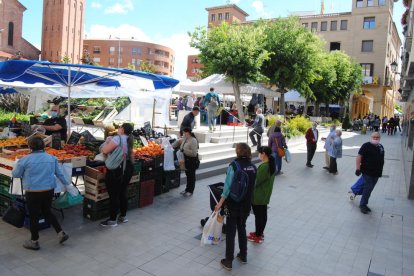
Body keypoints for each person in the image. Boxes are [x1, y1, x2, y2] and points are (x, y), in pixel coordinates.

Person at [12, 136, 70, 250]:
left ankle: (34, 241)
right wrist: (67, 184)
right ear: (44, 146)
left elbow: (16, 174)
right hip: (48, 190)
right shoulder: (51, 158)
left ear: (30, 147)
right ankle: (61, 233)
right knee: (47, 211)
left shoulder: (25, 159)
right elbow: (60, 174)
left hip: (33, 191)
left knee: (34, 216)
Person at [214, 143, 257, 270]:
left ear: (238, 152)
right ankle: (243, 255)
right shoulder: (253, 167)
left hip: (233, 204)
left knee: (231, 231)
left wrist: (220, 203)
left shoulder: (234, 166)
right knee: (242, 228)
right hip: (246, 203)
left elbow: (227, 188)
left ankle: (228, 261)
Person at [100, 123, 135, 227]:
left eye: (120, 127)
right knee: (122, 192)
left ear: (123, 129)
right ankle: (123, 216)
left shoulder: (117, 139)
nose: (118, 129)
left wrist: (107, 142)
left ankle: (112, 220)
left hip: (117, 169)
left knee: (114, 195)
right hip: (128, 168)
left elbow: (104, 151)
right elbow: (131, 156)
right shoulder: (130, 139)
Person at [248, 146, 275, 244]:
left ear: (263, 154)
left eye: (259, 153)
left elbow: (256, 182)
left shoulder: (264, 167)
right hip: (264, 195)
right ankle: (259, 233)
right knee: (262, 215)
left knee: (259, 216)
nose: (258, 155)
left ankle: (258, 235)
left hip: (258, 196)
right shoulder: (271, 165)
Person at [355, 132, 385, 214]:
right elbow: (359, 157)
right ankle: (362, 205)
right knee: (368, 188)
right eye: (374, 137)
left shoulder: (380, 147)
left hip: (377, 173)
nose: (375, 138)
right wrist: (358, 169)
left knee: (370, 188)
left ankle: (361, 199)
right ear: (371, 137)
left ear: (379, 138)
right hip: (367, 172)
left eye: (377, 137)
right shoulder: (366, 146)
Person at [173, 127, 199, 196]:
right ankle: (187, 189)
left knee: (191, 176)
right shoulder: (186, 139)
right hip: (186, 160)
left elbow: (194, 153)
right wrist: (170, 146)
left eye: (184, 133)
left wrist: (184, 150)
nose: (183, 134)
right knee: (188, 175)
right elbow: (178, 141)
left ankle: (190, 191)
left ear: (187, 133)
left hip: (192, 161)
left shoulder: (193, 140)